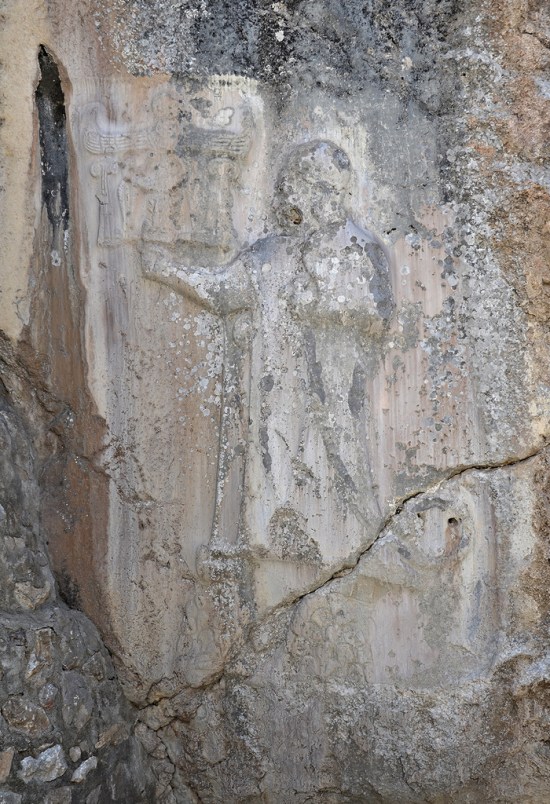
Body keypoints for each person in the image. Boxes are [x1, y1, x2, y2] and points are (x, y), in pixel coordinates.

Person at [142, 139, 394, 610]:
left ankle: (354, 548)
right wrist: (165, 269)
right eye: (300, 189)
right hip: (276, 397)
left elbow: (377, 312)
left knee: (339, 464)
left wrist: (320, 305)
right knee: (276, 459)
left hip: (334, 393)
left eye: (321, 190)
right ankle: (283, 539)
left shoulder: (360, 249)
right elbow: (223, 290)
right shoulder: (269, 254)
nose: (302, 200)